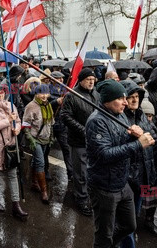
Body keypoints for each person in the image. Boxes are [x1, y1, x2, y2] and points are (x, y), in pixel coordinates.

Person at [86, 79, 155, 248]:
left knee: (129, 225)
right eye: (121, 98)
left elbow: (120, 140)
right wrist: (138, 144)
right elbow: (104, 154)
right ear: (107, 101)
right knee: (104, 233)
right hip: (104, 187)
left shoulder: (120, 113)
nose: (126, 102)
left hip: (122, 183)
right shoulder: (96, 121)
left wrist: (133, 134)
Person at [119, 80, 157, 244]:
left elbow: (154, 142)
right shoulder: (120, 118)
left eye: (137, 96)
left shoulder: (143, 116)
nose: (134, 100)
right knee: (127, 222)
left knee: (133, 218)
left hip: (144, 174)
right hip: (128, 179)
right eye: (130, 97)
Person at [0, 83, 28, 221]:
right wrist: (8, 121)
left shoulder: (11, 105)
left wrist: (18, 129)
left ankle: (16, 204)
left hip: (10, 147)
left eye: (2, 91)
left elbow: (19, 121)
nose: (0, 94)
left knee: (13, 175)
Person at [61, 68, 100, 216]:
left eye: (93, 79)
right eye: (88, 79)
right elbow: (65, 116)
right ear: (81, 80)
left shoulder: (96, 95)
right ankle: (81, 199)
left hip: (95, 141)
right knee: (81, 172)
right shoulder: (72, 96)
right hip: (78, 141)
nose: (91, 82)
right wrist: (83, 130)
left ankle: (88, 194)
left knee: (92, 171)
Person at [23, 84, 54, 204]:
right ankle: (44, 191)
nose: (44, 96)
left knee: (36, 161)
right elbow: (25, 125)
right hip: (35, 140)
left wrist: (51, 137)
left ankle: (34, 183)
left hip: (46, 139)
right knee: (40, 162)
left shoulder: (48, 105)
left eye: (46, 93)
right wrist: (31, 139)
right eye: (41, 93)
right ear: (36, 94)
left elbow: (51, 123)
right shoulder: (31, 106)